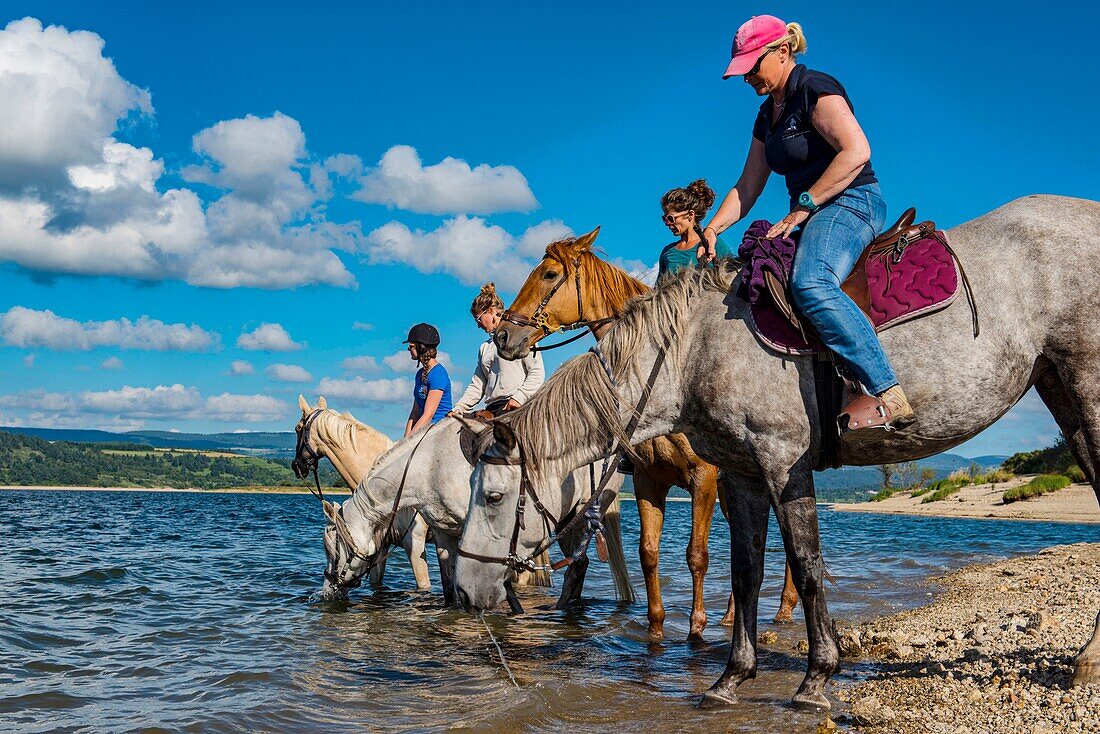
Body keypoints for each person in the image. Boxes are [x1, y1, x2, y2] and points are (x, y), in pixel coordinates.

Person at [699, 14, 914, 428]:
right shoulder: (766, 117)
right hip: (814, 210)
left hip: (853, 201)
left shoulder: (815, 87)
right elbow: (747, 186)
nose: (747, 78)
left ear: (783, 51)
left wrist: (804, 205)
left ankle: (886, 391)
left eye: (752, 66)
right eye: (741, 71)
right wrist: (712, 228)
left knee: (810, 280)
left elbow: (856, 150)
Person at [450, 282, 544, 418]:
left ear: (491, 311)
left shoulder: (521, 337)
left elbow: (536, 372)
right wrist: (458, 409)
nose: (478, 325)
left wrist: (519, 397)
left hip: (516, 405)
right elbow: (478, 384)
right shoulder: (485, 347)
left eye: (478, 319)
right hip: (491, 409)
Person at [658, 179, 734, 281]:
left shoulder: (714, 244)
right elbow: (660, 292)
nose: (667, 223)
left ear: (690, 215)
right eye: (664, 219)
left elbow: (733, 280)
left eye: (671, 218)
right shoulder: (667, 252)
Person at [403, 322, 453, 437]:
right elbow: (415, 411)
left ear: (421, 347)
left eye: (411, 346)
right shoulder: (419, 374)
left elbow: (428, 415)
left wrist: (409, 442)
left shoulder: (438, 374)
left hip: (438, 430)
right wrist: (405, 439)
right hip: (424, 430)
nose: (408, 349)